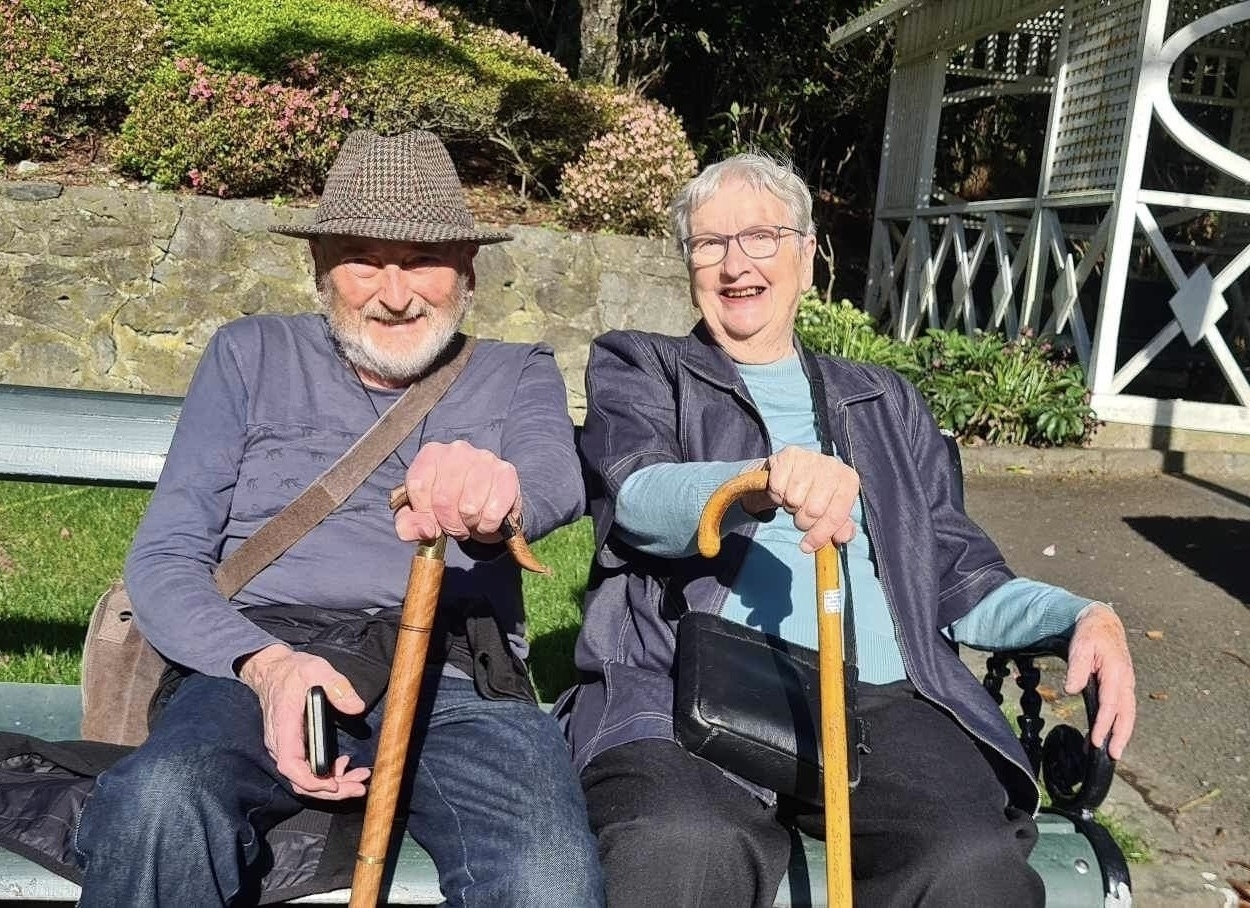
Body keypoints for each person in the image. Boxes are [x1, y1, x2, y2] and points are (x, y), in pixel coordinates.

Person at [557, 152, 1136, 907]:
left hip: (877, 699)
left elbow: (958, 574)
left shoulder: (885, 401)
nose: (736, 263)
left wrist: (1079, 615)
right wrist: (755, 482)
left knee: (967, 865)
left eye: (762, 237)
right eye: (709, 243)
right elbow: (635, 495)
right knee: (684, 844)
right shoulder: (643, 367)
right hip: (681, 688)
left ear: (805, 255)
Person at [72, 130, 604, 907]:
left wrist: (496, 496)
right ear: (320, 268)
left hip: (457, 673)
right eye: (363, 260)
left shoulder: (515, 372)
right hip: (262, 657)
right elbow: (165, 559)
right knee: (159, 804)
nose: (394, 293)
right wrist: (268, 667)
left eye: (421, 260)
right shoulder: (249, 354)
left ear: (468, 271)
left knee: (546, 876)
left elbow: (552, 480)